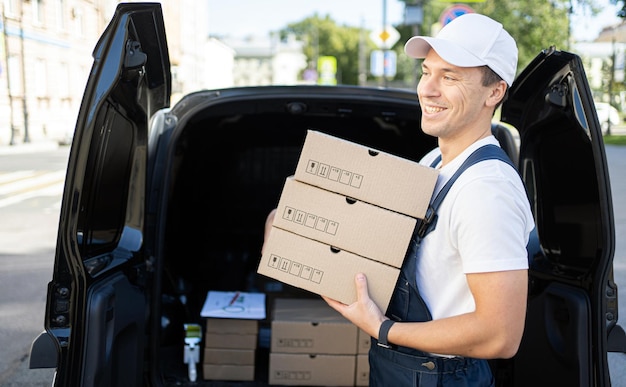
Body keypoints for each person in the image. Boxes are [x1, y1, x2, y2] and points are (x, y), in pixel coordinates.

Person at [321, 13, 536, 386]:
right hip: (401, 366)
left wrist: (384, 328)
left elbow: (500, 335)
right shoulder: (434, 162)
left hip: (442, 376)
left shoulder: (486, 190)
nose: (427, 89)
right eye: (426, 72)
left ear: (495, 92)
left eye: (449, 76)